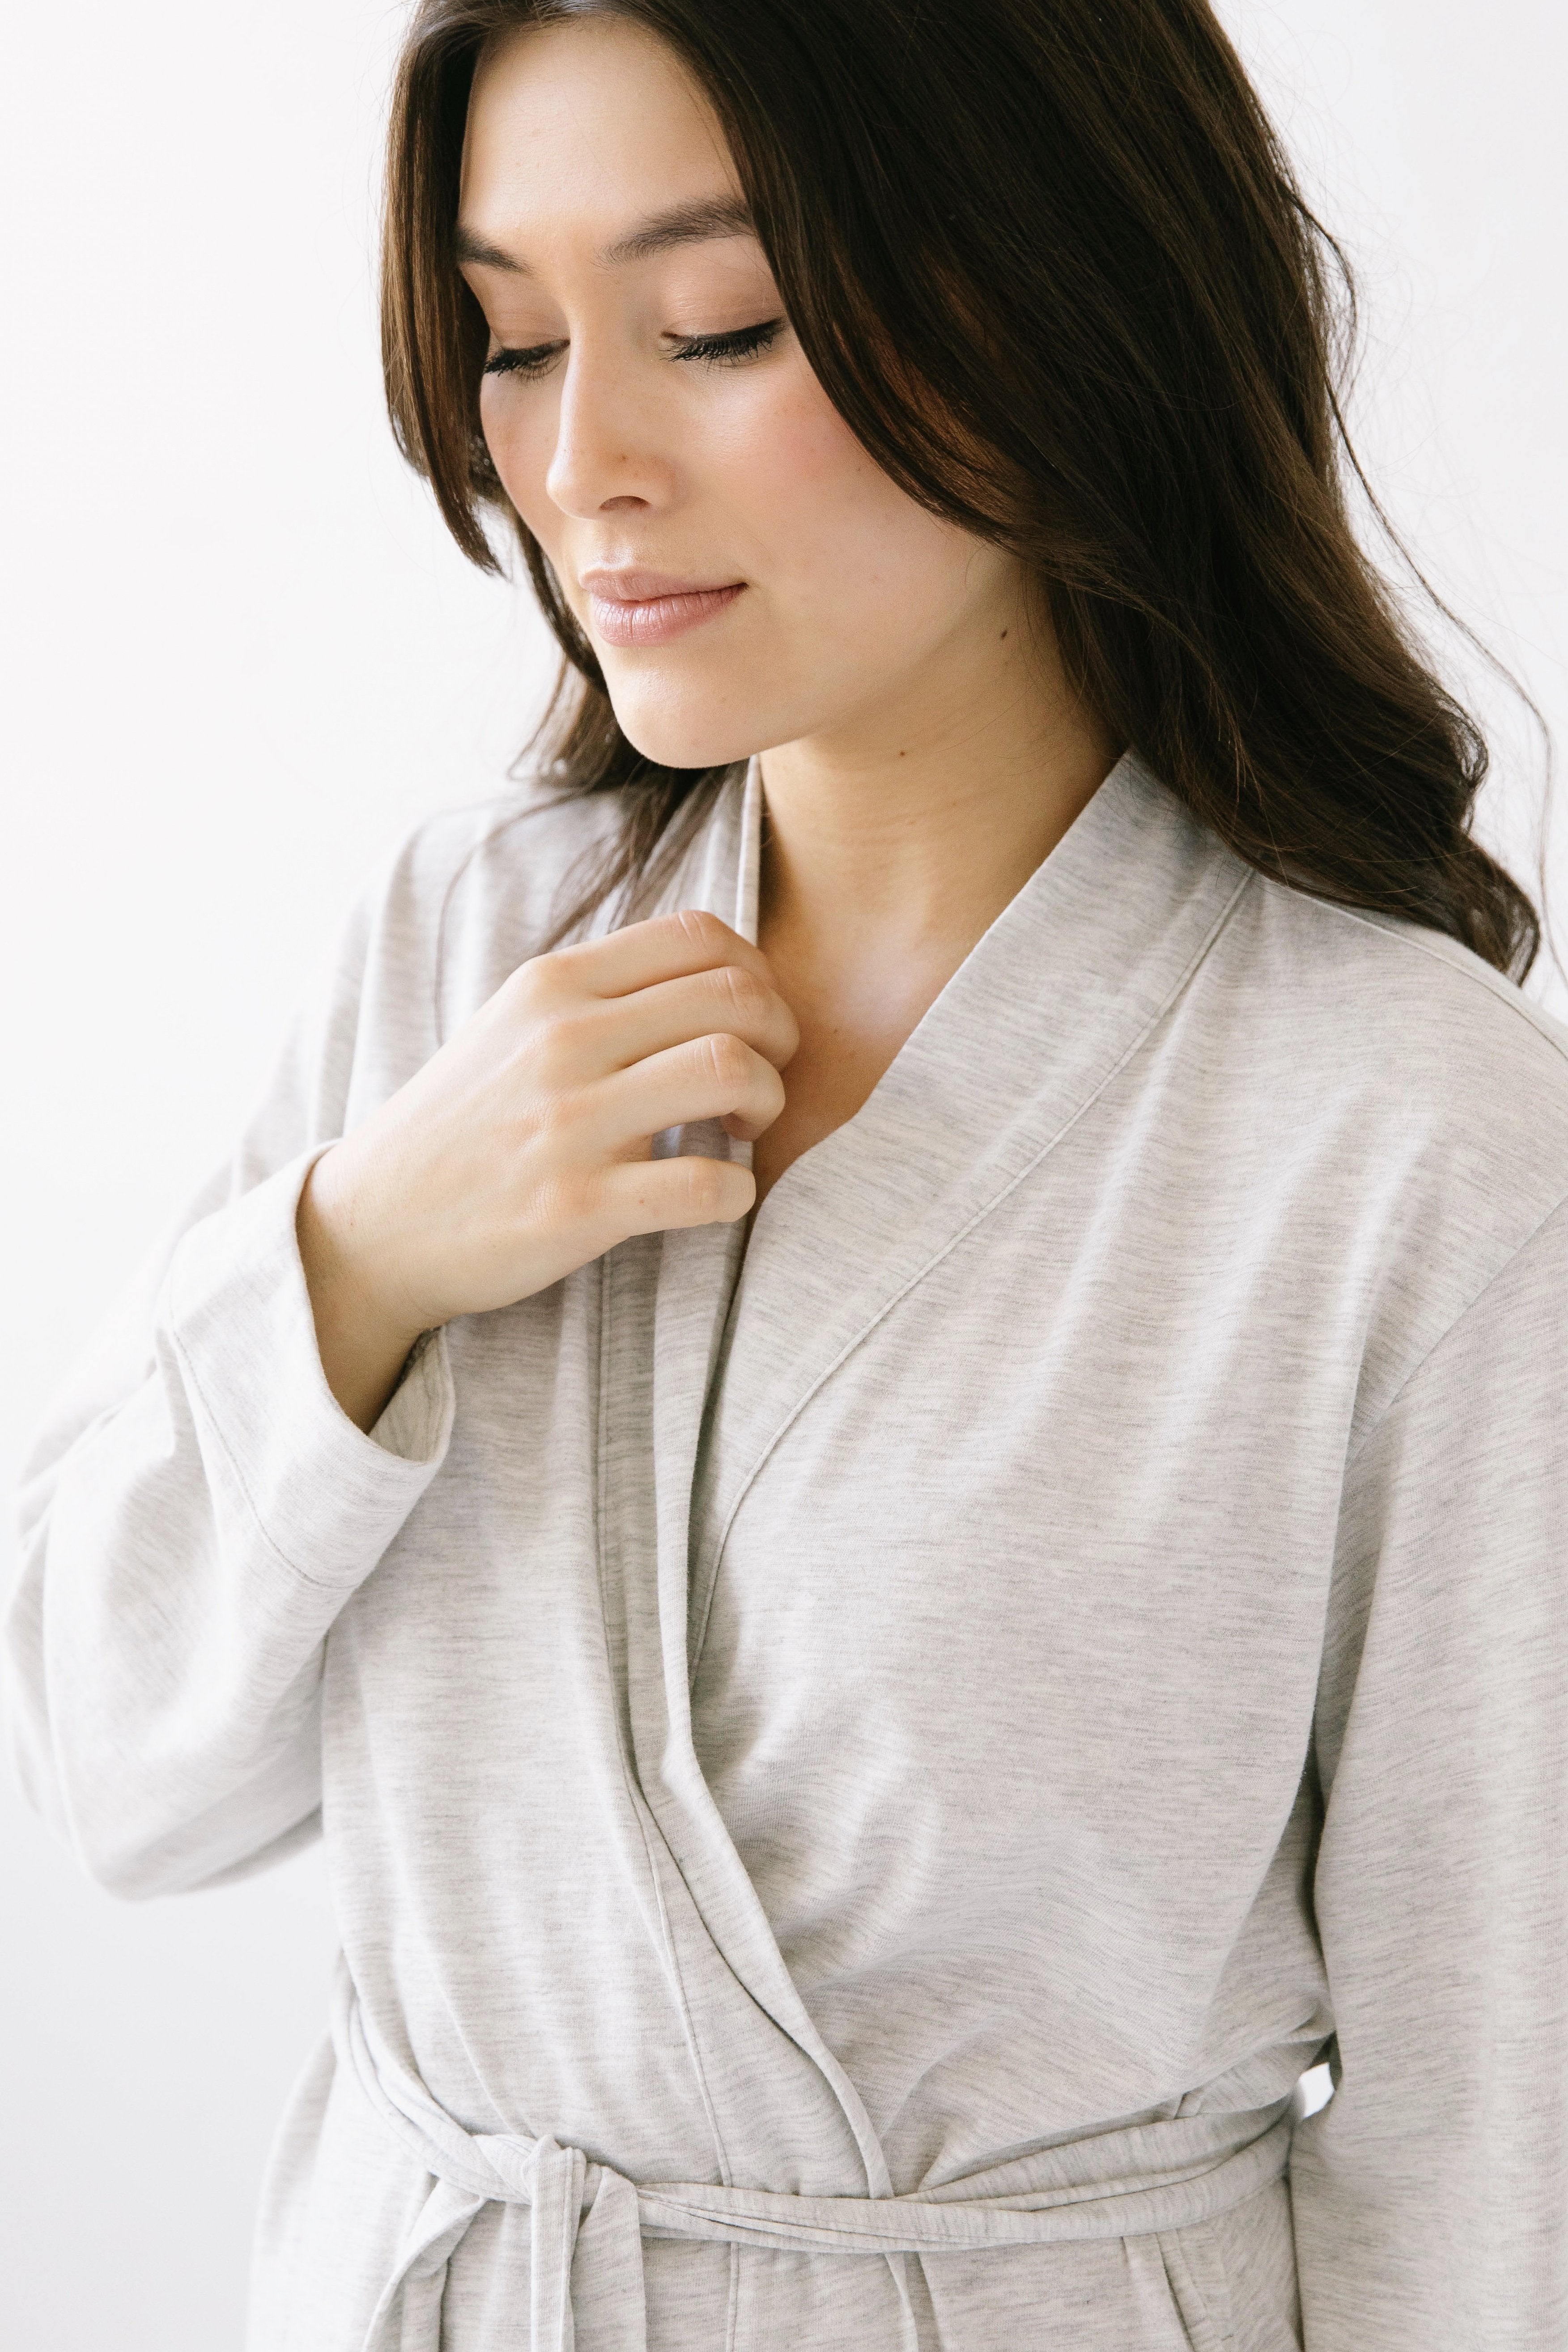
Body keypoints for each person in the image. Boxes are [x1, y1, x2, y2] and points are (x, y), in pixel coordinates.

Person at [7, 1, 1565, 2345]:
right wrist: (367, 1250)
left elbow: (1484, 2162)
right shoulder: (463, 945)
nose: (580, 462)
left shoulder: (1405, 1142)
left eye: (716, 325)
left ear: (1055, 302)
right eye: (510, 340)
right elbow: (123, 1769)